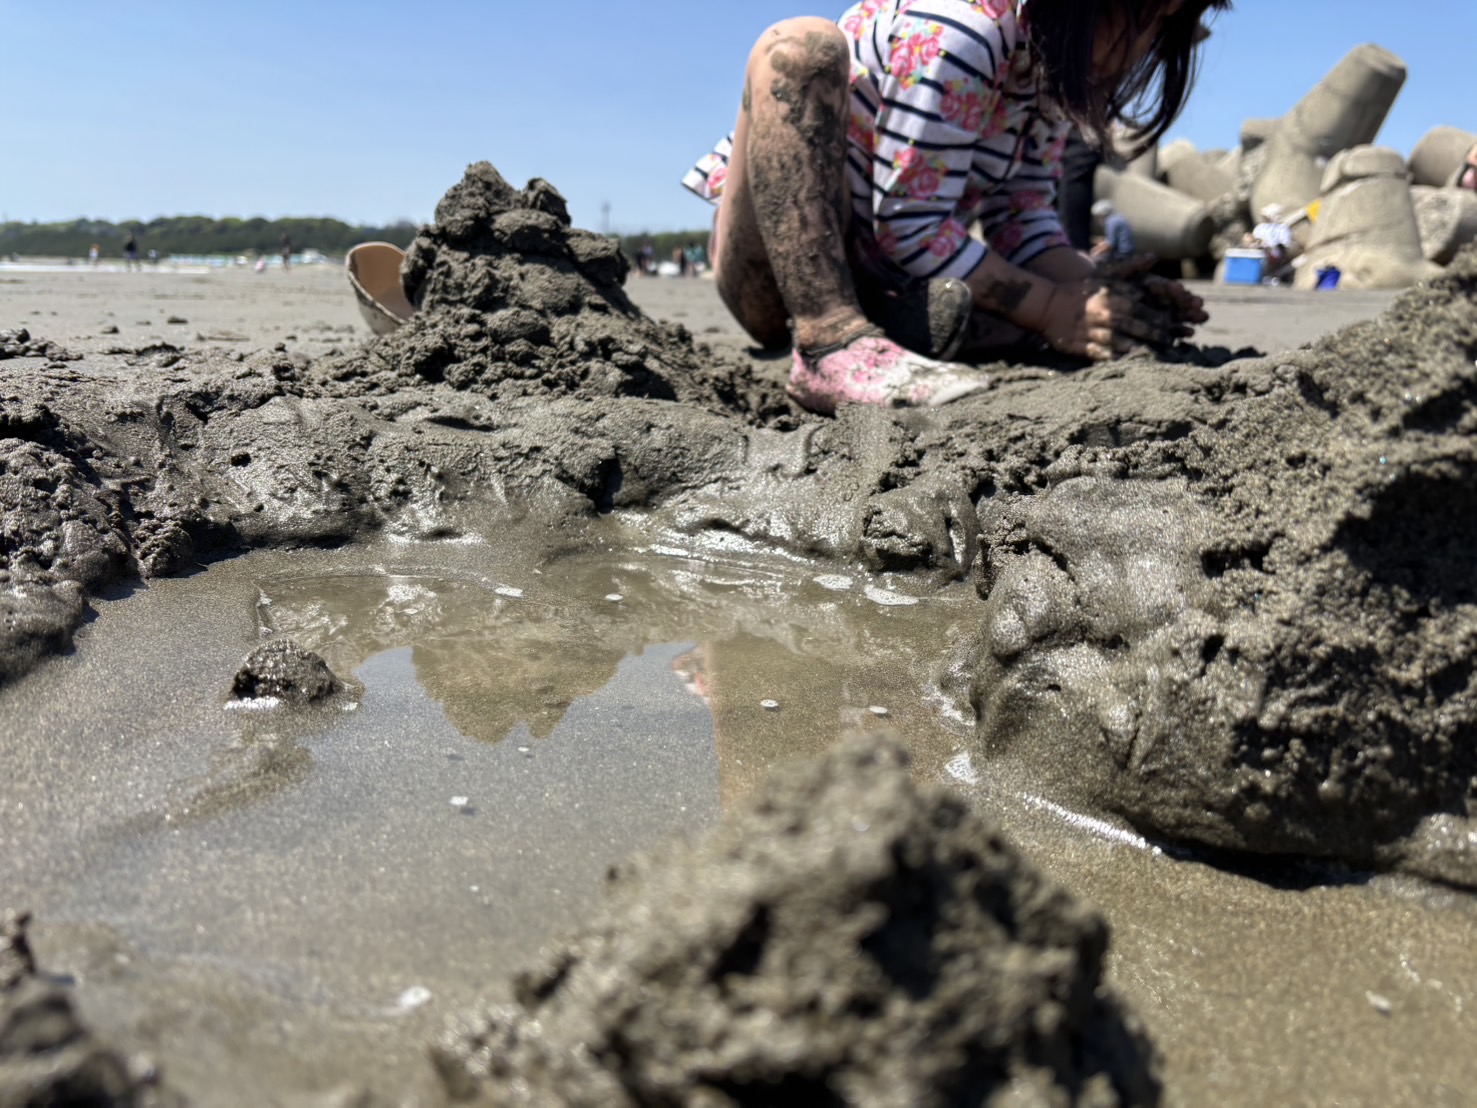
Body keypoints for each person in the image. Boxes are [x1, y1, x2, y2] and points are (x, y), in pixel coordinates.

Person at [683, 0, 1220, 413]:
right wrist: (1055, 309)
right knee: (801, 46)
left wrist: (1094, 291)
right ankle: (829, 340)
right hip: (779, 276)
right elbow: (910, 228)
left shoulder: (1049, 68)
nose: (1145, 49)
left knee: (1010, 312)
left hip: (888, 280)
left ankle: (894, 329)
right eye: (1148, 19)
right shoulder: (962, 32)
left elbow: (1022, 218)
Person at [1248, 203, 1293, 283]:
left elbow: (1285, 243)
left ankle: (1269, 275)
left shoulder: (1282, 228)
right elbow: (1254, 239)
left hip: (1275, 252)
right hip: (1259, 251)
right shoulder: (1260, 227)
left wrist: (1271, 246)